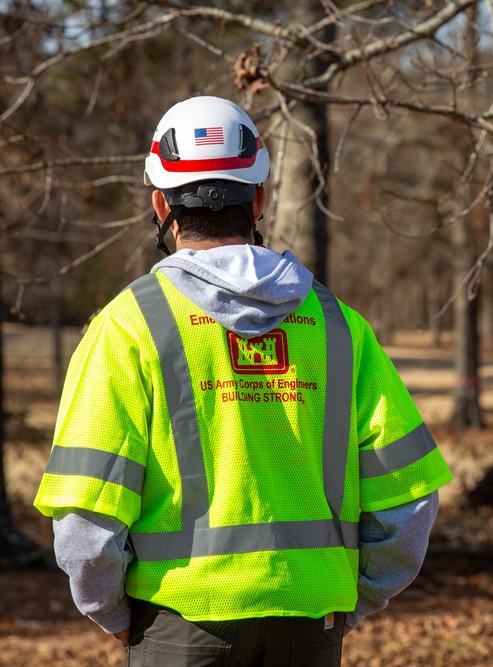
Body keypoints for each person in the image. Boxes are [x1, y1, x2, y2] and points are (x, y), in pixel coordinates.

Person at [33, 95, 452, 666]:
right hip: (312, 626)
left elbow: (86, 518)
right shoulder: (339, 328)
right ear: (258, 198)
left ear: (160, 203)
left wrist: (111, 613)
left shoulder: (127, 328)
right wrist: (354, 602)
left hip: (179, 628)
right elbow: (408, 504)